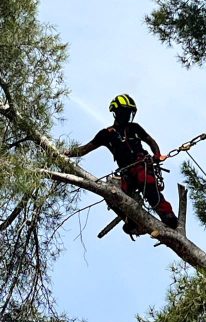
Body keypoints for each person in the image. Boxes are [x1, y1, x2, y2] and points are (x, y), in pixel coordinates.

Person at [65, 93, 178, 232]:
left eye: (129, 112)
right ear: (116, 112)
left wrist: (157, 155)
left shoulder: (135, 128)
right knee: (111, 194)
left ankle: (167, 215)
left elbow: (150, 141)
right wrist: (66, 153)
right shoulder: (106, 134)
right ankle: (133, 222)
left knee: (147, 184)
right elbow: (85, 149)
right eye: (124, 112)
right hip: (126, 173)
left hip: (141, 165)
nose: (127, 115)